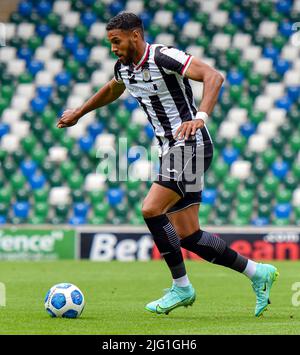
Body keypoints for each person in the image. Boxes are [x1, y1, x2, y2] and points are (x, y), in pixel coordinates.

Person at [57, 12, 279, 317]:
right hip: (170, 150)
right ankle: (257, 272)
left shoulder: (163, 56)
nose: (113, 48)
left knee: (150, 209)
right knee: (189, 235)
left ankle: (182, 287)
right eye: (110, 43)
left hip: (190, 145)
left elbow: (213, 76)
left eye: (116, 41)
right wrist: (79, 112)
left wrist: (200, 118)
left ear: (135, 35)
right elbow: (114, 87)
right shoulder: (124, 68)